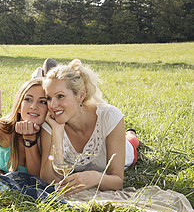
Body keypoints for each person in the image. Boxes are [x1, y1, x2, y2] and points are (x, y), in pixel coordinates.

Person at [38, 59, 139, 195]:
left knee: (132, 141)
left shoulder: (109, 116)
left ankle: (131, 134)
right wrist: (57, 131)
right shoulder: (51, 122)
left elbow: (117, 181)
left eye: (60, 96)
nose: (53, 105)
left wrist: (96, 178)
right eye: (49, 98)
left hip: (127, 151)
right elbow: (49, 179)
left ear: (81, 95)